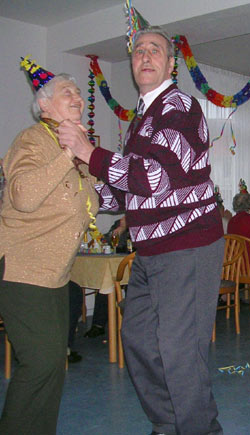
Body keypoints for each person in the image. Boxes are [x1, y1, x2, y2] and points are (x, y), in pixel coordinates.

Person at [59, 24, 225, 434]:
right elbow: (127, 196)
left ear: (171, 64)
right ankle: (169, 423)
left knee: (179, 351)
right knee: (137, 340)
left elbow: (153, 179)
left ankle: (199, 429)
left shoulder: (179, 107)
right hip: (152, 251)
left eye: (155, 51)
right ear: (133, 65)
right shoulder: (141, 120)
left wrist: (90, 153)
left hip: (187, 245)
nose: (145, 56)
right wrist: (88, 175)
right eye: (138, 52)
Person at [0, 59, 99, 434]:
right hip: (23, 270)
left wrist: (87, 155)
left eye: (77, 91)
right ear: (45, 106)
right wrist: (68, 154)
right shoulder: (33, 140)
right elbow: (23, 195)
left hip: (56, 275)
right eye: (67, 92)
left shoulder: (74, 144)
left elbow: (92, 201)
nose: (76, 96)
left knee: (53, 363)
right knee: (40, 362)